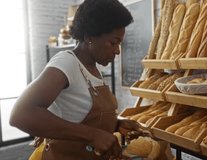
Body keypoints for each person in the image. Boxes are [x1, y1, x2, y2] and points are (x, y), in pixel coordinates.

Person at [9, 0, 146, 159]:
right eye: (113, 42)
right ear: (89, 37)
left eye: (119, 44)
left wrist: (117, 122)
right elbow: (21, 114)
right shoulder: (67, 62)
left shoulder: (93, 69)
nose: (117, 51)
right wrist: (93, 135)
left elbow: (77, 114)